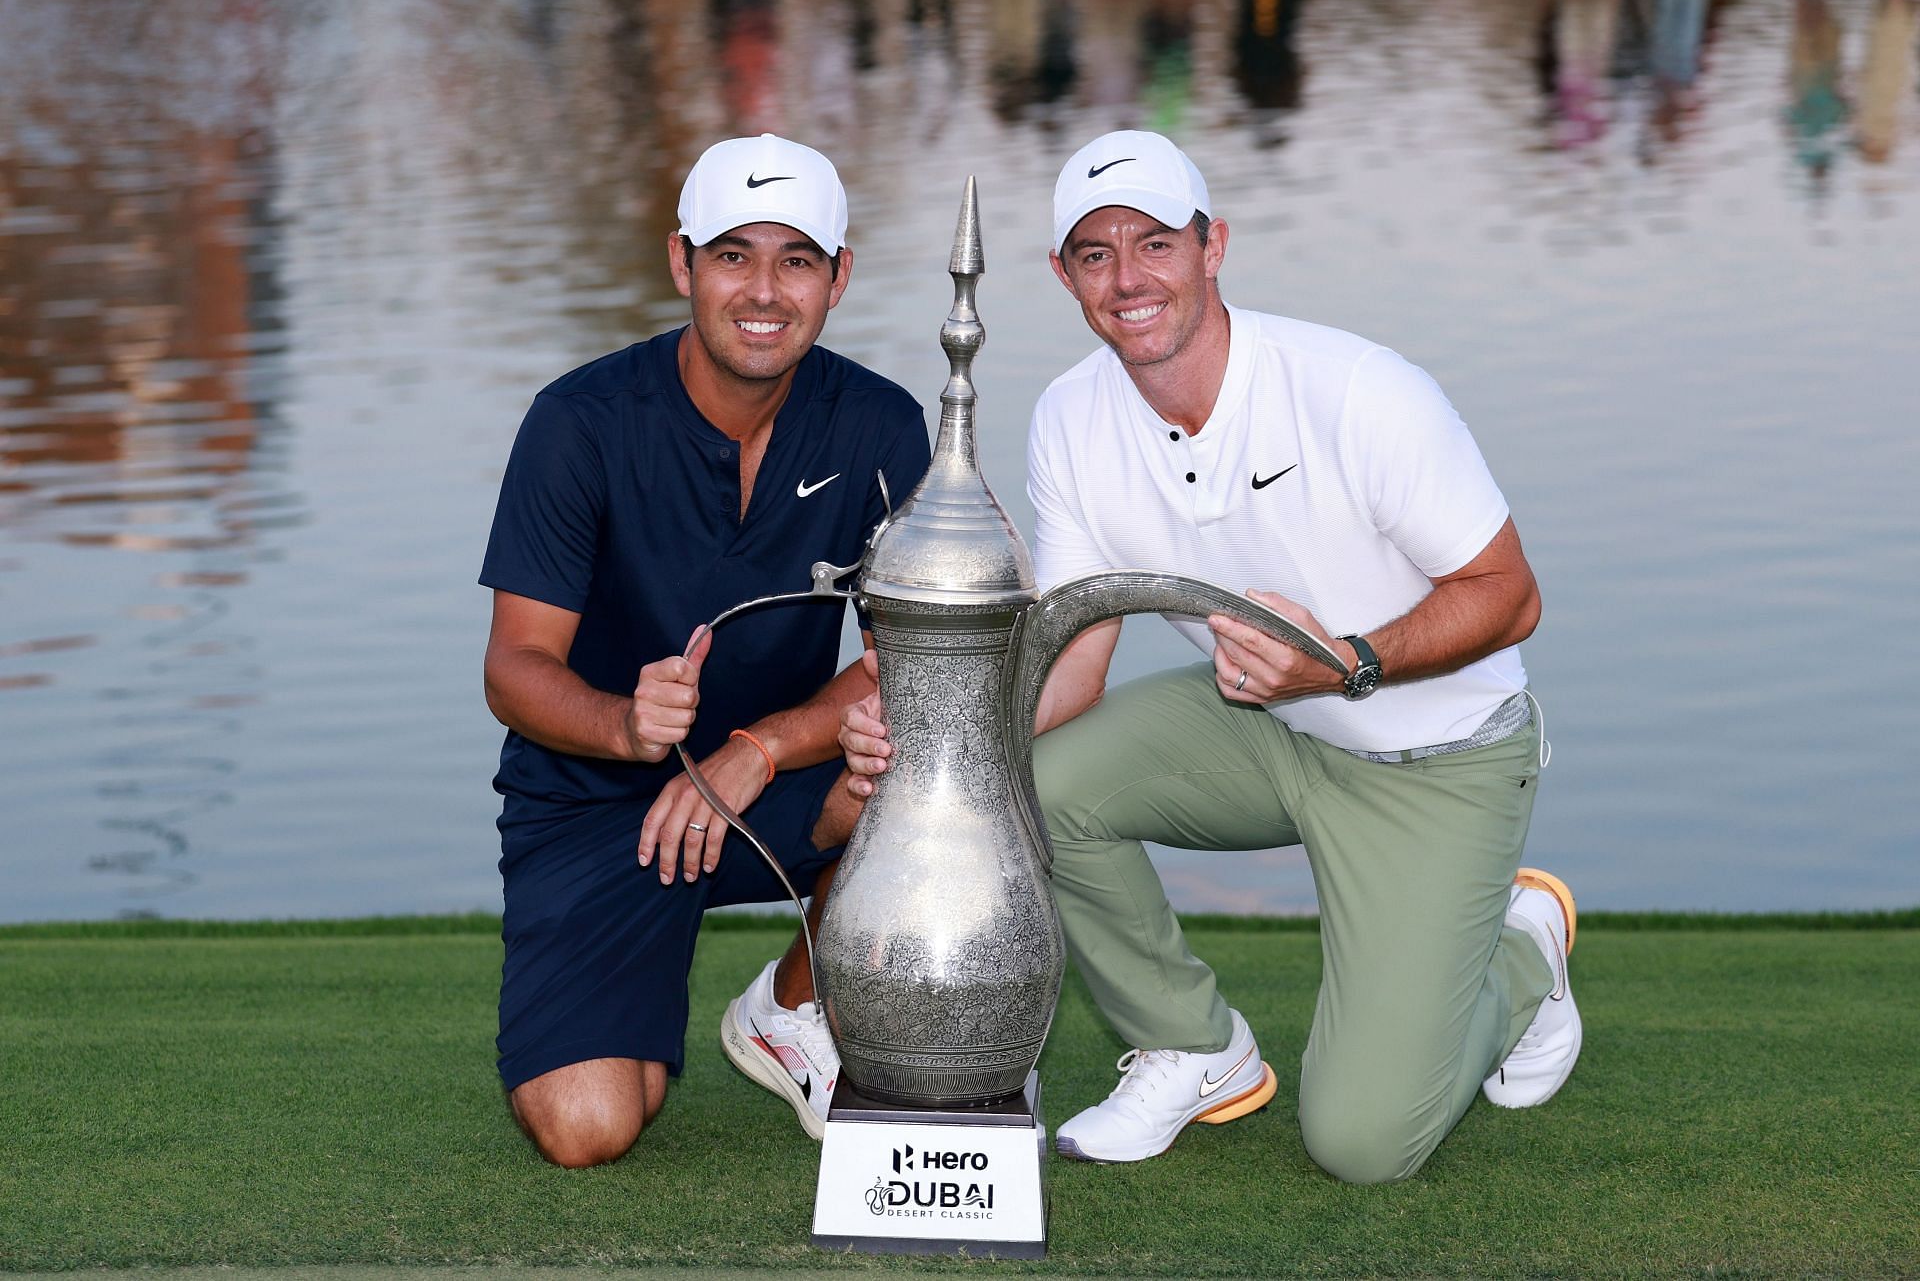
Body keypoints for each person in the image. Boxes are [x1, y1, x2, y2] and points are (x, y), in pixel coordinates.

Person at [841, 130, 1576, 1184]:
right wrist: (931, 735)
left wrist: (1346, 663)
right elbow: (1078, 660)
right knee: (1026, 778)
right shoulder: (1070, 417)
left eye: (1155, 244)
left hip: (1438, 753)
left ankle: (1523, 952)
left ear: (1213, 245)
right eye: (1095, 254)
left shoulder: (1358, 389)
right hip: (1265, 721)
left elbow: (1512, 598)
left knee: (1363, 1145)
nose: (1128, 279)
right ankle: (1192, 1047)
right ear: (1064, 275)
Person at [480, 134, 931, 1168]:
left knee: (919, 754)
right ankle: (647, 973)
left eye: (797, 259)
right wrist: (624, 725)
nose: (764, 290)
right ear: (682, 264)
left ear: (839, 277)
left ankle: (790, 1003)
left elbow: (909, 657)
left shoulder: (881, 425)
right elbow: (514, 668)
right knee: (589, 1130)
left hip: (770, 792)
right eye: (733, 255)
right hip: (591, 807)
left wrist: (762, 747)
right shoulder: (577, 422)